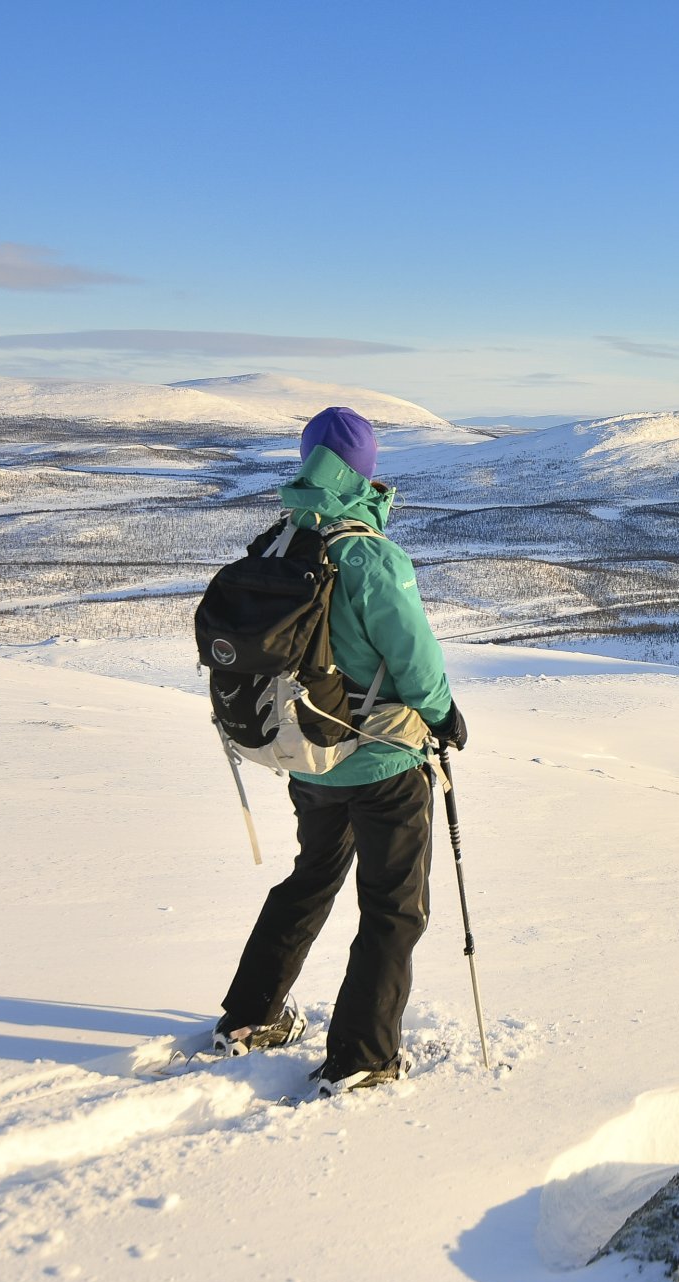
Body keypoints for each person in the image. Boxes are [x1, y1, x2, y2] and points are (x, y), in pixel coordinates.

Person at [212, 406, 468, 1096]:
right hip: (384, 762)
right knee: (394, 906)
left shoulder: (279, 541)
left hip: (307, 756)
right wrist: (446, 717)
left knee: (311, 877)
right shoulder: (369, 555)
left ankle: (250, 1014)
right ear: (367, 471)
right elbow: (415, 663)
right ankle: (362, 1054)